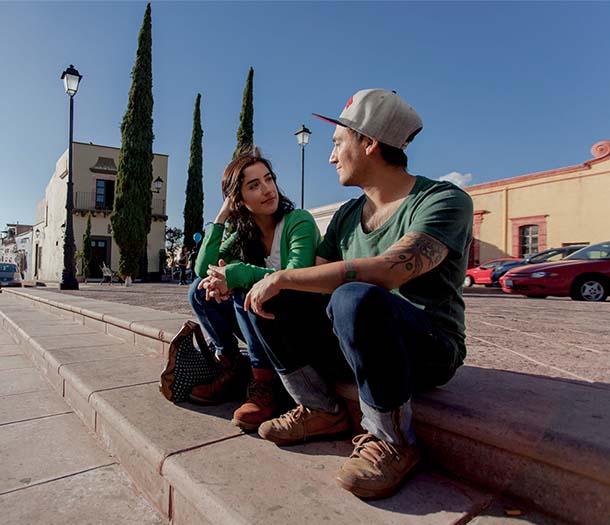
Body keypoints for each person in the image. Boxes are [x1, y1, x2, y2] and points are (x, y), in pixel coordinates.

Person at [241, 89, 473, 499]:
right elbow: (308, 276)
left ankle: (393, 440)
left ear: (368, 143)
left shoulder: (443, 200)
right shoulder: (349, 214)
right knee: (271, 296)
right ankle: (320, 410)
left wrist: (285, 278)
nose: (331, 158)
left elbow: (390, 270)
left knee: (354, 296)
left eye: (336, 144)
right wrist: (261, 277)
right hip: (353, 341)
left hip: (428, 348)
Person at [188, 148, 321, 431]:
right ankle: (232, 364)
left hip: (299, 321)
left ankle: (264, 385)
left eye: (269, 179)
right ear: (239, 199)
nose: (267, 190)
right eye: (254, 185)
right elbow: (203, 269)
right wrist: (222, 217)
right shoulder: (242, 234)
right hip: (261, 323)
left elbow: (296, 276)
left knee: (244, 289)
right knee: (199, 290)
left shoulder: (298, 221)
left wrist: (236, 274)